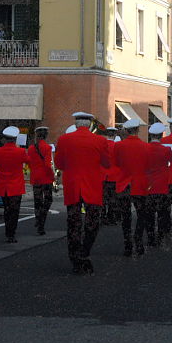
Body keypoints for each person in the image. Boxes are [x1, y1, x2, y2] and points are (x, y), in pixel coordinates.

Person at [54, 111, 110, 274]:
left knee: (73, 224)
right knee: (92, 223)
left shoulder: (64, 139)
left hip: (72, 186)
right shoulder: (100, 140)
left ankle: (75, 258)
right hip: (92, 186)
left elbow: (59, 163)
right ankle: (85, 252)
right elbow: (106, 163)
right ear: (90, 124)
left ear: (76, 124)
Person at [113, 118, 150, 256]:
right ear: (138, 130)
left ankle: (127, 244)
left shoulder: (119, 146)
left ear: (126, 131)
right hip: (140, 185)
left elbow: (116, 163)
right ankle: (138, 240)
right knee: (141, 214)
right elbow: (148, 166)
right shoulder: (146, 146)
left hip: (124, 184)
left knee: (125, 216)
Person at [0, 126, 28, 243]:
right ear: (15, 139)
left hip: (3, 185)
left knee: (6, 210)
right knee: (14, 210)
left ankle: (7, 231)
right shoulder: (21, 151)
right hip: (16, 186)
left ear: (4, 139)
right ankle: (11, 233)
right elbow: (29, 161)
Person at [146, 122, 172, 246]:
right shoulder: (166, 149)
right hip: (162, 184)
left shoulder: (144, 148)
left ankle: (151, 237)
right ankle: (161, 235)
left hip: (148, 185)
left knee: (149, 213)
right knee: (162, 212)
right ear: (161, 135)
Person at [27, 126, 55, 235]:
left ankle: (38, 218)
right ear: (46, 136)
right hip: (46, 178)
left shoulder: (30, 148)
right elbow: (48, 165)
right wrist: (52, 177)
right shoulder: (47, 148)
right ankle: (41, 222)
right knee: (48, 200)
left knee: (37, 201)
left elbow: (29, 163)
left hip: (35, 177)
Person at [101, 127, 121, 225]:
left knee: (103, 198)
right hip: (114, 176)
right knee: (113, 199)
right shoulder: (117, 147)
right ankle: (111, 218)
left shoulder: (101, 146)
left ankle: (102, 217)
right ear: (115, 135)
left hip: (102, 176)